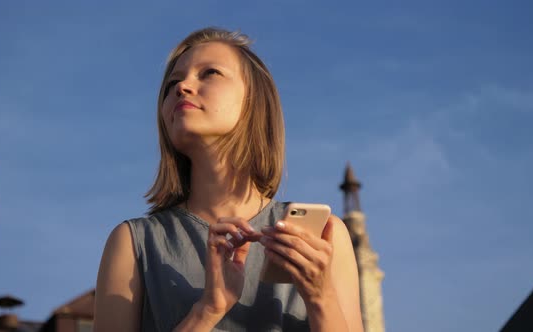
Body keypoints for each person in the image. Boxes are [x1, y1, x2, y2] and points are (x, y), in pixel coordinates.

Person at [93, 27, 363, 332]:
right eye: (172, 82)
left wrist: (320, 296)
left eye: (209, 73)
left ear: (254, 100)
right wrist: (207, 310)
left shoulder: (325, 236)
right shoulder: (132, 243)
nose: (182, 86)